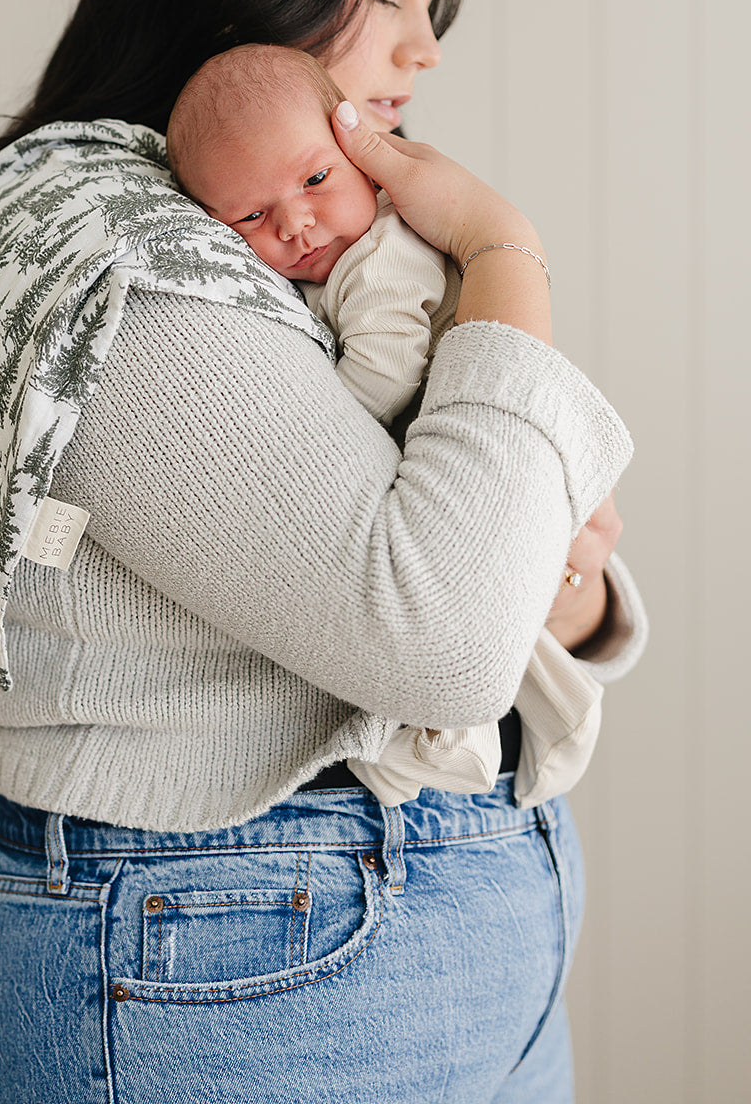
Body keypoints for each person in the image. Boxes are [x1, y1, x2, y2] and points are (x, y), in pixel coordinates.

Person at [0, 0, 646, 1104]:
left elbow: (494, 568)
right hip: (235, 941)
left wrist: (566, 592)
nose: (424, 49)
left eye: (434, 8)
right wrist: (500, 248)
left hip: (395, 918)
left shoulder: (289, 246)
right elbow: (442, 637)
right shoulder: (115, 247)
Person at [167, 42, 606, 810]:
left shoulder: (383, 251)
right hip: (457, 465)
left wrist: (321, 432)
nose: (296, 222)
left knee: (489, 632)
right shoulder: (324, 259)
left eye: (314, 180)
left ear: (365, 157)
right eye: (252, 215)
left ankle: (532, 729)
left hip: (478, 452)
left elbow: (387, 364)